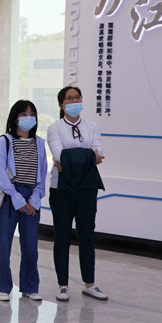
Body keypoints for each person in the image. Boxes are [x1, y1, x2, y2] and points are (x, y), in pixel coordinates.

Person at [47, 86, 107, 302]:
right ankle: (63, 285)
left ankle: (89, 284)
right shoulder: (54, 128)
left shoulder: (92, 126)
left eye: (77, 98)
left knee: (87, 236)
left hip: (87, 189)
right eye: (69, 98)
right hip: (62, 190)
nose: (74, 102)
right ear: (61, 104)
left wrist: (72, 158)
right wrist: (88, 157)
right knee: (62, 237)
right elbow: (59, 157)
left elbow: (99, 154)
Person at [0, 100, 47, 301]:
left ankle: (29, 286)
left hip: (31, 196)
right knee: (3, 246)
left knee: (31, 246)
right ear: (15, 118)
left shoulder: (39, 143)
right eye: (24, 114)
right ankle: (3, 287)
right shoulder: (4, 141)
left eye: (32, 114)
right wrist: (17, 198)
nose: (28, 118)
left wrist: (34, 199)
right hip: (9, 196)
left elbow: (42, 175)